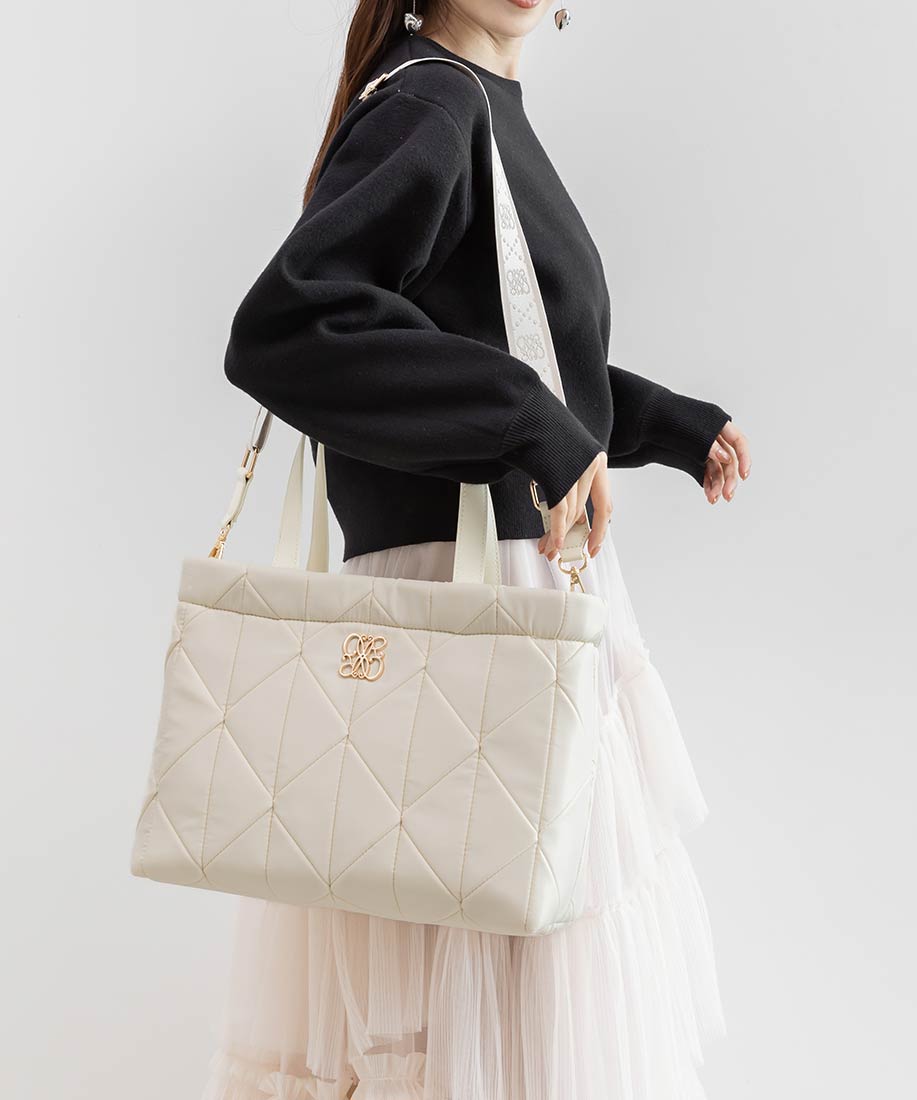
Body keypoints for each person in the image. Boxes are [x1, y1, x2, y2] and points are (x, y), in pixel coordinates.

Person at [203, 3, 750, 1097]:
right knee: (498, 1013)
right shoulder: (432, 100)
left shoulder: (478, 104)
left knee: (497, 1005)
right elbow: (286, 326)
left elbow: (504, 344)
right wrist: (528, 422)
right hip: (464, 611)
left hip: (505, 594)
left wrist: (660, 424)